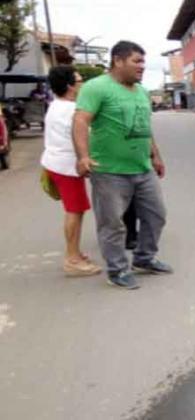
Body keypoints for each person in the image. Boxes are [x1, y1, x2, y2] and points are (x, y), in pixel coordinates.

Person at [73, 40, 172, 290]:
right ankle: (117, 270)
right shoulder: (96, 87)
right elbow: (81, 121)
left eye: (143, 62)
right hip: (109, 171)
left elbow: (144, 128)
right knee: (112, 223)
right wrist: (83, 156)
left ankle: (144, 258)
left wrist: (155, 156)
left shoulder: (141, 91)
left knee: (156, 215)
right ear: (118, 60)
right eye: (136, 61)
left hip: (142, 168)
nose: (142, 67)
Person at [40, 66, 102, 276]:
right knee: (74, 211)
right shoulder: (70, 110)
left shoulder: (58, 105)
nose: (82, 83)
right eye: (78, 80)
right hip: (66, 166)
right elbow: (85, 136)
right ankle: (72, 260)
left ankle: (74, 252)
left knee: (77, 209)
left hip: (58, 163)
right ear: (69, 86)